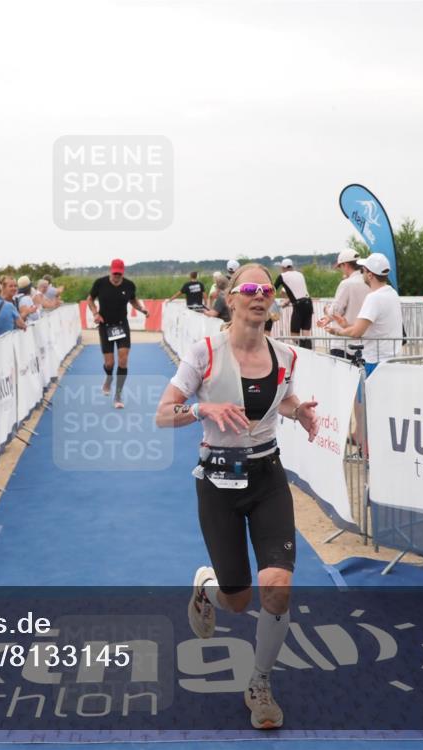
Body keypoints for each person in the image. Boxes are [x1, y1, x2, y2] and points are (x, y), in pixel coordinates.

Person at [155, 263, 319, 730]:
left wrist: (297, 411)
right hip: (217, 481)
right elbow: (163, 414)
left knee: (277, 590)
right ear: (231, 299)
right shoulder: (203, 352)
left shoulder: (285, 357)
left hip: (267, 476)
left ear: (273, 301)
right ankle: (207, 586)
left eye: (266, 289)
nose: (259, 295)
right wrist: (201, 407)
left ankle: (260, 683)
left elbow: (278, 398)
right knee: (238, 601)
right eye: (249, 288)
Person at [326, 253, 403, 375]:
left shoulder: (373, 298)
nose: (362, 274)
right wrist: (346, 326)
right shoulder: (392, 293)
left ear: (370, 275)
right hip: (392, 359)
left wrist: (336, 331)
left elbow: (357, 332)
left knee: (367, 394)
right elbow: (371, 328)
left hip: (375, 361)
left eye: (363, 271)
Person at [87, 258, 148, 409]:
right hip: (105, 325)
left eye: (119, 274)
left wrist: (141, 309)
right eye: (114, 273)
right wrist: (95, 313)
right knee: (109, 363)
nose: (116, 277)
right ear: (110, 270)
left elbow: (133, 300)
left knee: (123, 360)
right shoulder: (100, 283)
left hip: (122, 325)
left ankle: (118, 395)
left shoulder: (129, 285)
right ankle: (108, 378)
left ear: (123, 272)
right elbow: (90, 300)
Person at [318, 248, 370, 360]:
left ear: (346, 265)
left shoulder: (346, 284)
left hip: (343, 342)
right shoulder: (369, 282)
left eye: (340, 266)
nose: (341, 270)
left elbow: (336, 311)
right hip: (364, 343)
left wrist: (327, 310)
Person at [274, 259, 313, 350]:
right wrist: (288, 301)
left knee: (294, 334)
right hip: (308, 303)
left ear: (282, 268)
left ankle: (301, 350)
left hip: (299, 305)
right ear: (292, 266)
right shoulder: (300, 274)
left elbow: (273, 290)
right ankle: (309, 351)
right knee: (306, 333)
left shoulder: (282, 276)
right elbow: (299, 291)